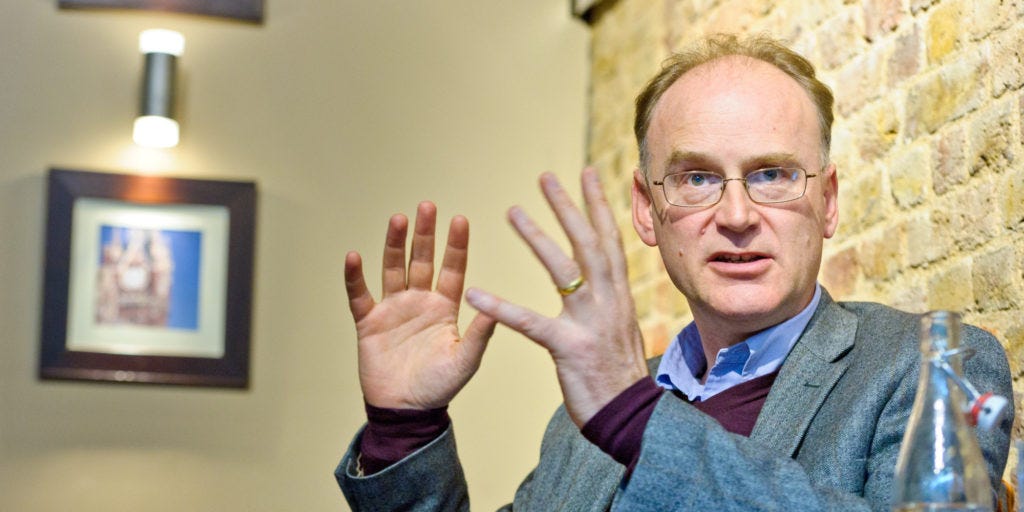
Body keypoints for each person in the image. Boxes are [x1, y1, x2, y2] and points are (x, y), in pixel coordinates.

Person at [335, 33, 1014, 511]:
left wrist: (636, 419)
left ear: (828, 201)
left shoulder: (929, 367)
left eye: (772, 174)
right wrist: (406, 429)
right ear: (647, 209)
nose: (738, 214)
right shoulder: (587, 419)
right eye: (696, 178)